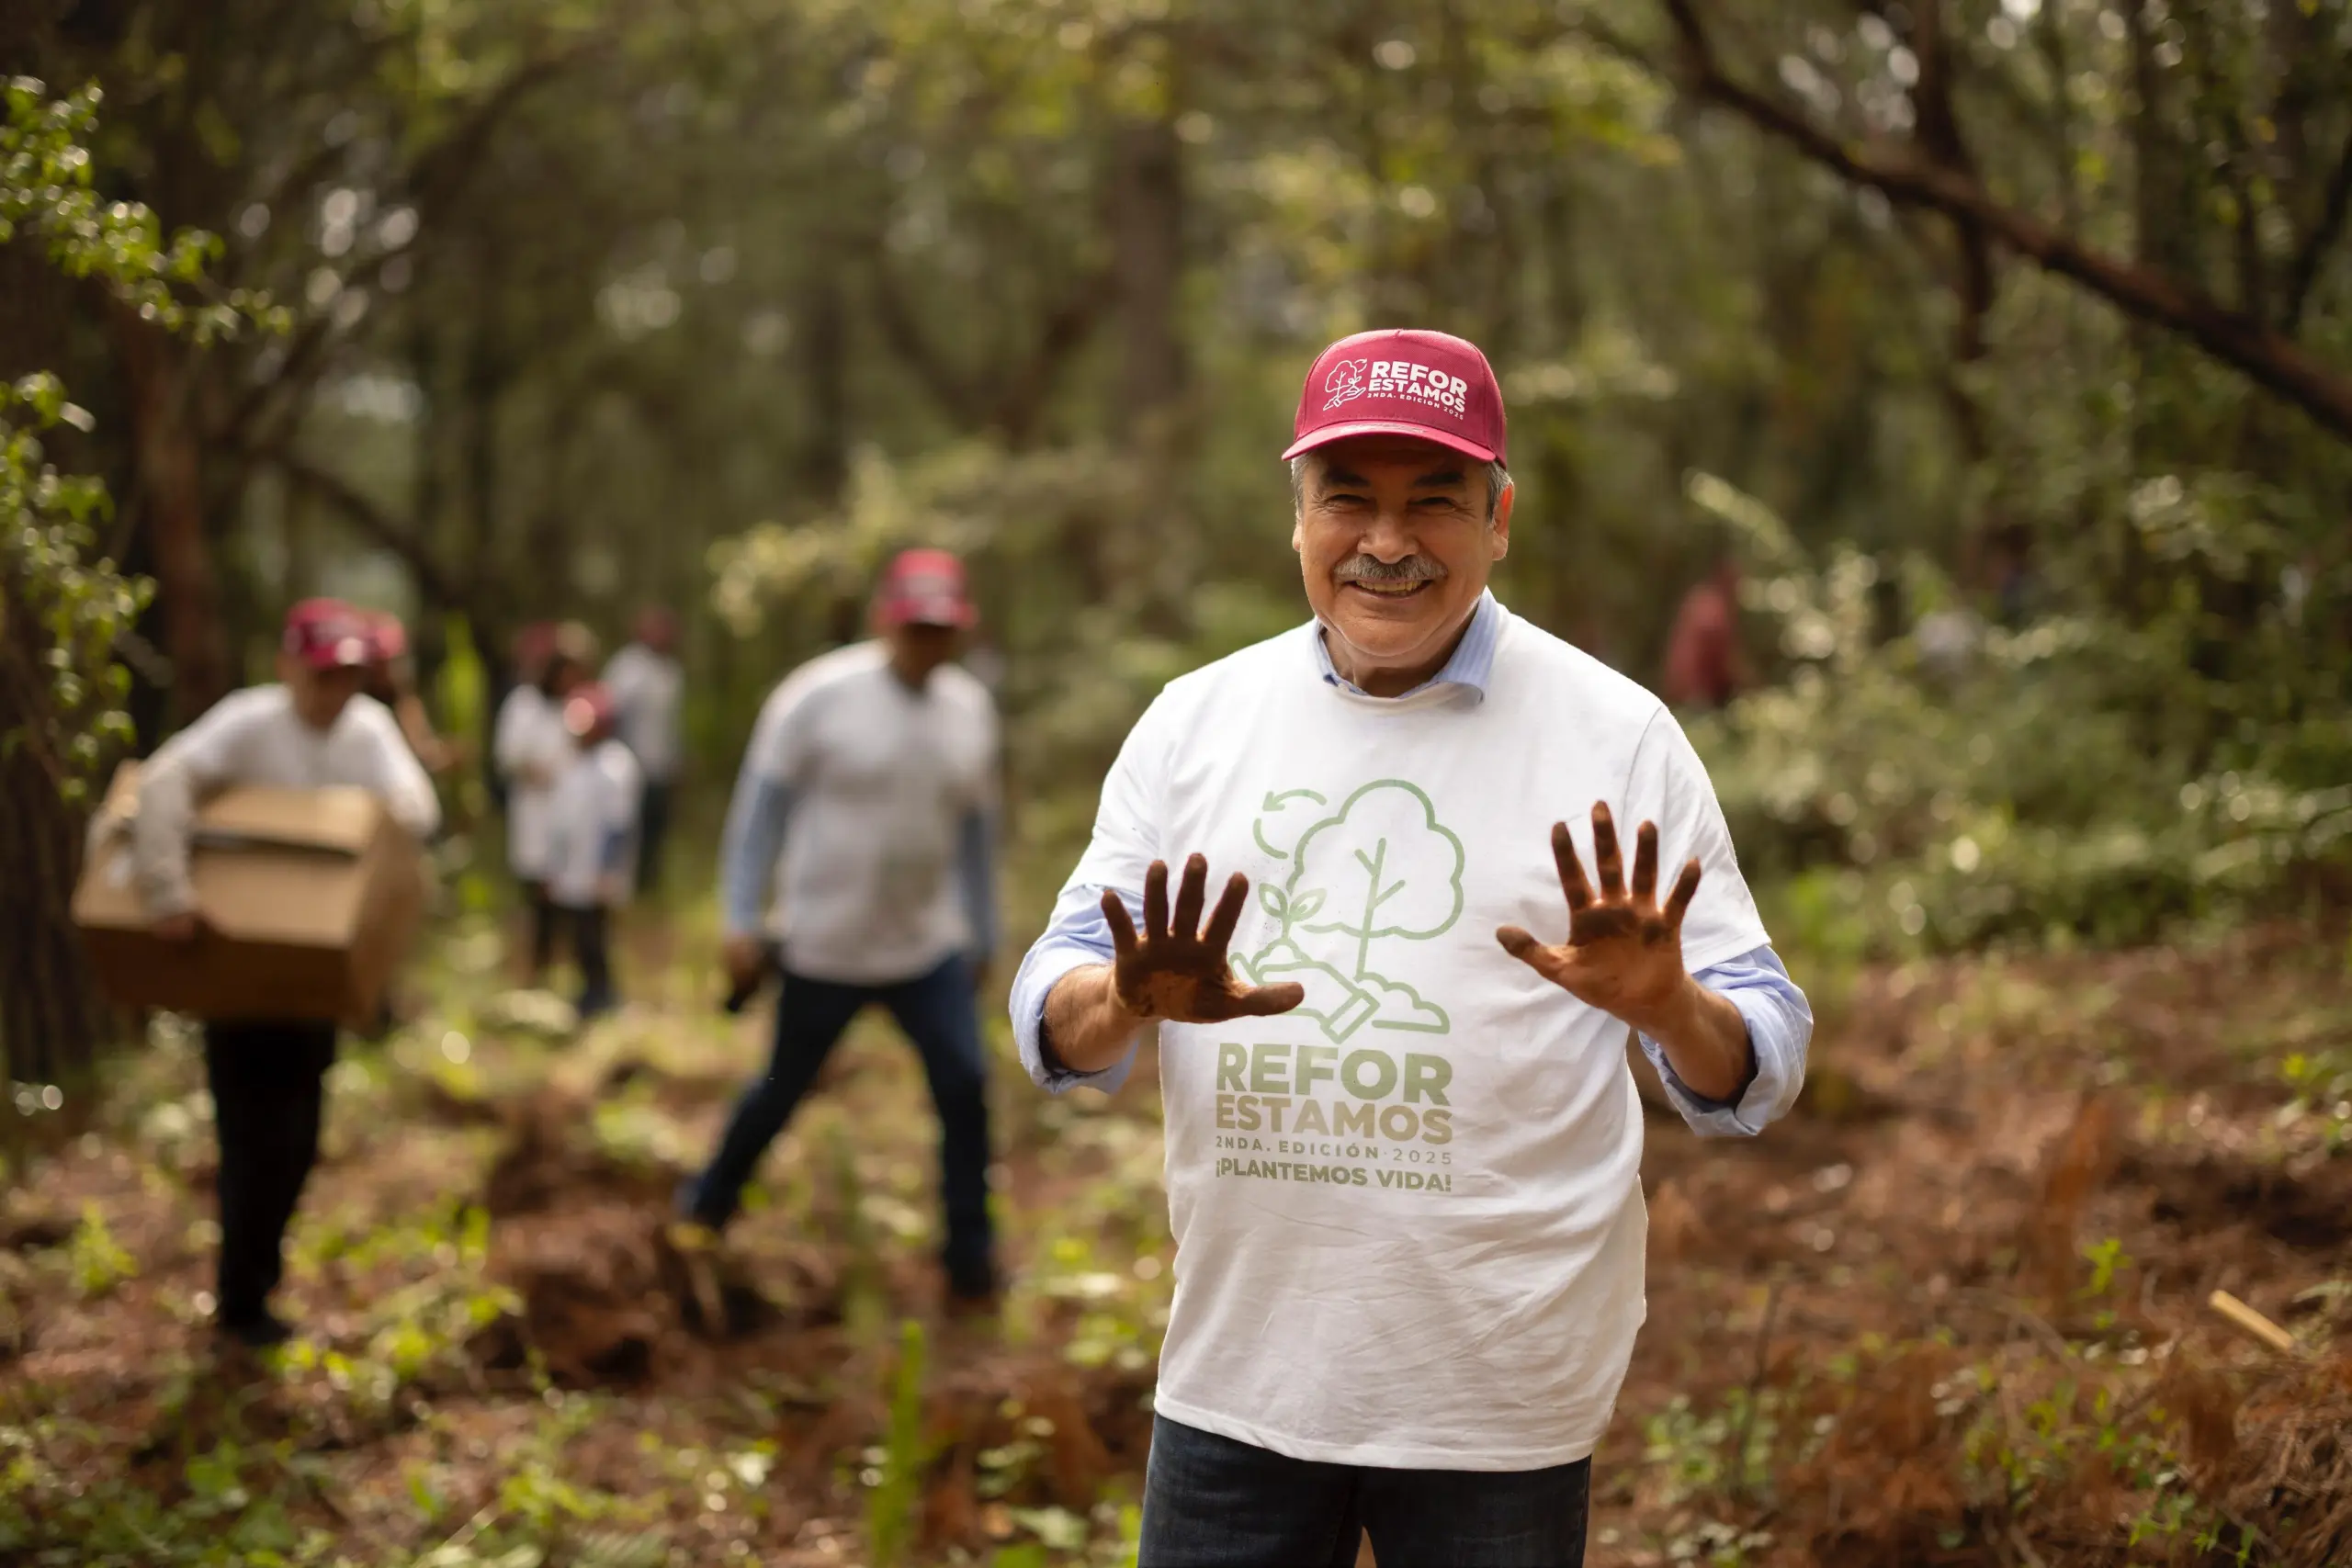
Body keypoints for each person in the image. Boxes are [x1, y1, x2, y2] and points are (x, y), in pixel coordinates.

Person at [1010, 329, 1813, 1567]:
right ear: (1297, 518)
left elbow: (1764, 1054)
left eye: (1433, 500)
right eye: (1349, 499)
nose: (1386, 542)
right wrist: (1123, 998)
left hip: (1500, 1394)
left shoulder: (1618, 735)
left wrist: (1671, 1008)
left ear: (1500, 519)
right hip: (1237, 1376)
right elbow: (1049, 1005)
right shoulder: (1194, 724)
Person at [674, 548, 1001, 1306]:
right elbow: (758, 817)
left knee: (964, 1085)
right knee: (781, 1088)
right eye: (915, 627)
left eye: (941, 630)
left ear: (960, 631)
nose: (927, 643)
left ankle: (971, 1258)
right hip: (825, 945)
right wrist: (740, 917)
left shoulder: (969, 711)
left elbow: (979, 835)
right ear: (885, 621)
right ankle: (703, 1210)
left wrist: (985, 933)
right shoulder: (816, 698)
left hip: (925, 945)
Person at [128, 599, 440, 1347]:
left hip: (315, 974)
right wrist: (169, 893)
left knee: (298, 1137)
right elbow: (165, 781)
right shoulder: (248, 722)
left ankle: (258, 1281)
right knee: (248, 1135)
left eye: (347, 677)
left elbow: (416, 809)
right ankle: (239, 1302)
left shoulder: (367, 730)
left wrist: (373, 830)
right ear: (288, 667)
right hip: (238, 964)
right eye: (322, 675)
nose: (334, 692)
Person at [494, 622, 592, 986]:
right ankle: (536, 968)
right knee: (538, 896)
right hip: (535, 814)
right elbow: (508, 755)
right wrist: (539, 772)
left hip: (570, 816)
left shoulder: (577, 707)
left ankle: (564, 966)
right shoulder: (524, 705)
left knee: (569, 894)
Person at [543, 682, 641, 1020]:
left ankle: (603, 993)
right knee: (577, 934)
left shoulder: (615, 765)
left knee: (596, 934)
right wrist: (554, 865)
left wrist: (606, 870)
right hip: (572, 868)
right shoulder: (571, 762)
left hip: (597, 872)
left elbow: (618, 822)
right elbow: (560, 820)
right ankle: (587, 990)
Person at [602, 606, 684, 896]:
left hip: (660, 766)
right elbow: (611, 713)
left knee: (656, 825)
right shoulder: (626, 667)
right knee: (627, 824)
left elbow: (672, 723)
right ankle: (623, 881)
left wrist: (677, 759)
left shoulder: (671, 671)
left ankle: (649, 883)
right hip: (629, 765)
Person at [363, 610, 463, 775]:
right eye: (384, 662)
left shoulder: (405, 703)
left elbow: (425, 752)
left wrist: (447, 754)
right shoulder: (358, 710)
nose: (394, 669)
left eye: (397, 660)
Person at [1661, 557, 1747, 711]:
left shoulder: (1699, 597)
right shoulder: (1714, 609)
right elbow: (1722, 658)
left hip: (1678, 688)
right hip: (1695, 692)